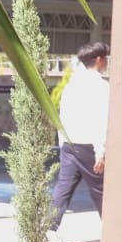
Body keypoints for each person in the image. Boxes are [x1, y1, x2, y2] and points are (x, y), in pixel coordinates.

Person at [51, 39, 110, 229]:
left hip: (69, 145)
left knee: (63, 188)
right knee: (101, 190)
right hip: (88, 147)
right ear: (100, 60)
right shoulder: (101, 87)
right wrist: (100, 153)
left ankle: (49, 230)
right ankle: (111, 230)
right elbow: (100, 122)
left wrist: (62, 144)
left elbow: (62, 116)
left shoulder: (71, 86)